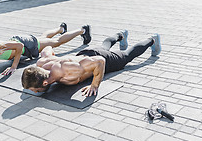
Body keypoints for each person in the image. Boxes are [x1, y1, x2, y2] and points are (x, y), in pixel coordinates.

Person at [21, 30, 161, 97]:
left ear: (45, 83)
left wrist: (95, 85)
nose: (34, 92)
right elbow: (46, 49)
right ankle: (120, 35)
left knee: (126, 56)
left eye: (35, 90)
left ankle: (152, 39)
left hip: (97, 58)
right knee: (104, 45)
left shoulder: (67, 70)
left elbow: (100, 62)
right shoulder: (42, 65)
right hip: (85, 55)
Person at [0, 23, 91, 76]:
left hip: (25, 44)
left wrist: (14, 66)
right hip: (22, 40)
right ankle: (61, 28)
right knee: (43, 38)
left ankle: (83, 30)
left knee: (56, 43)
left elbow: (19, 47)